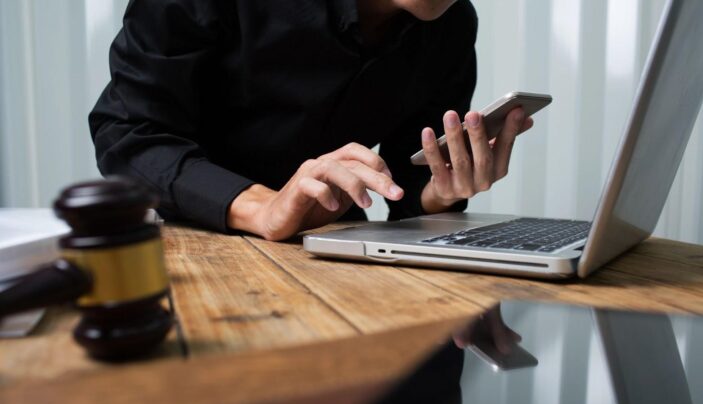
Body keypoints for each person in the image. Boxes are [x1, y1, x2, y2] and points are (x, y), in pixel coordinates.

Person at [90, 0, 532, 240]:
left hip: (330, 263)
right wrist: (261, 205)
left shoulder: (452, 25)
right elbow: (129, 132)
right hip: (200, 250)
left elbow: (408, 185)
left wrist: (441, 192)